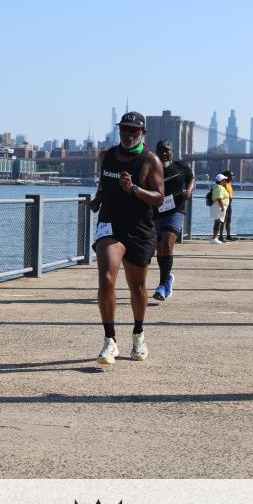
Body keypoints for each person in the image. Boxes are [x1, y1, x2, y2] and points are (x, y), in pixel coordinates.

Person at [90, 111, 165, 365]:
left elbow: (159, 198)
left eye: (133, 130)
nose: (127, 134)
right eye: (123, 129)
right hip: (110, 225)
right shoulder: (107, 156)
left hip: (139, 229)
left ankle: (138, 334)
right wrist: (98, 199)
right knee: (106, 279)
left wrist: (133, 189)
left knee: (138, 287)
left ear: (143, 133)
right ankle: (109, 340)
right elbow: (104, 184)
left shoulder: (151, 161)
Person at [152, 139, 194, 301]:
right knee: (160, 249)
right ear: (156, 152)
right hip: (157, 212)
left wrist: (189, 190)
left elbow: (191, 178)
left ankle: (162, 286)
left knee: (167, 244)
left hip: (176, 211)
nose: (163, 153)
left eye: (167, 150)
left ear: (172, 152)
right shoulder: (151, 169)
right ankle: (167, 278)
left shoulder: (181, 167)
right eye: (160, 150)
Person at [209, 174, 230, 244]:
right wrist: (222, 207)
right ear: (221, 181)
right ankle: (214, 238)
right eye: (224, 180)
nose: (225, 181)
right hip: (219, 207)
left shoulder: (216, 187)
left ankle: (214, 238)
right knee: (218, 222)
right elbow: (219, 198)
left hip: (217, 207)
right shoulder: (219, 188)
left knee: (217, 222)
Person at [218, 170, 235, 241]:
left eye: (232, 176)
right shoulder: (224, 183)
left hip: (229, 204)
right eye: (231, 176)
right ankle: (220, 236)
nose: (232, 177)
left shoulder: (229, 183)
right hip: (224, 204)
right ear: (226, 176)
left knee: (228, 220)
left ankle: (228, 235)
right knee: (223, 220)